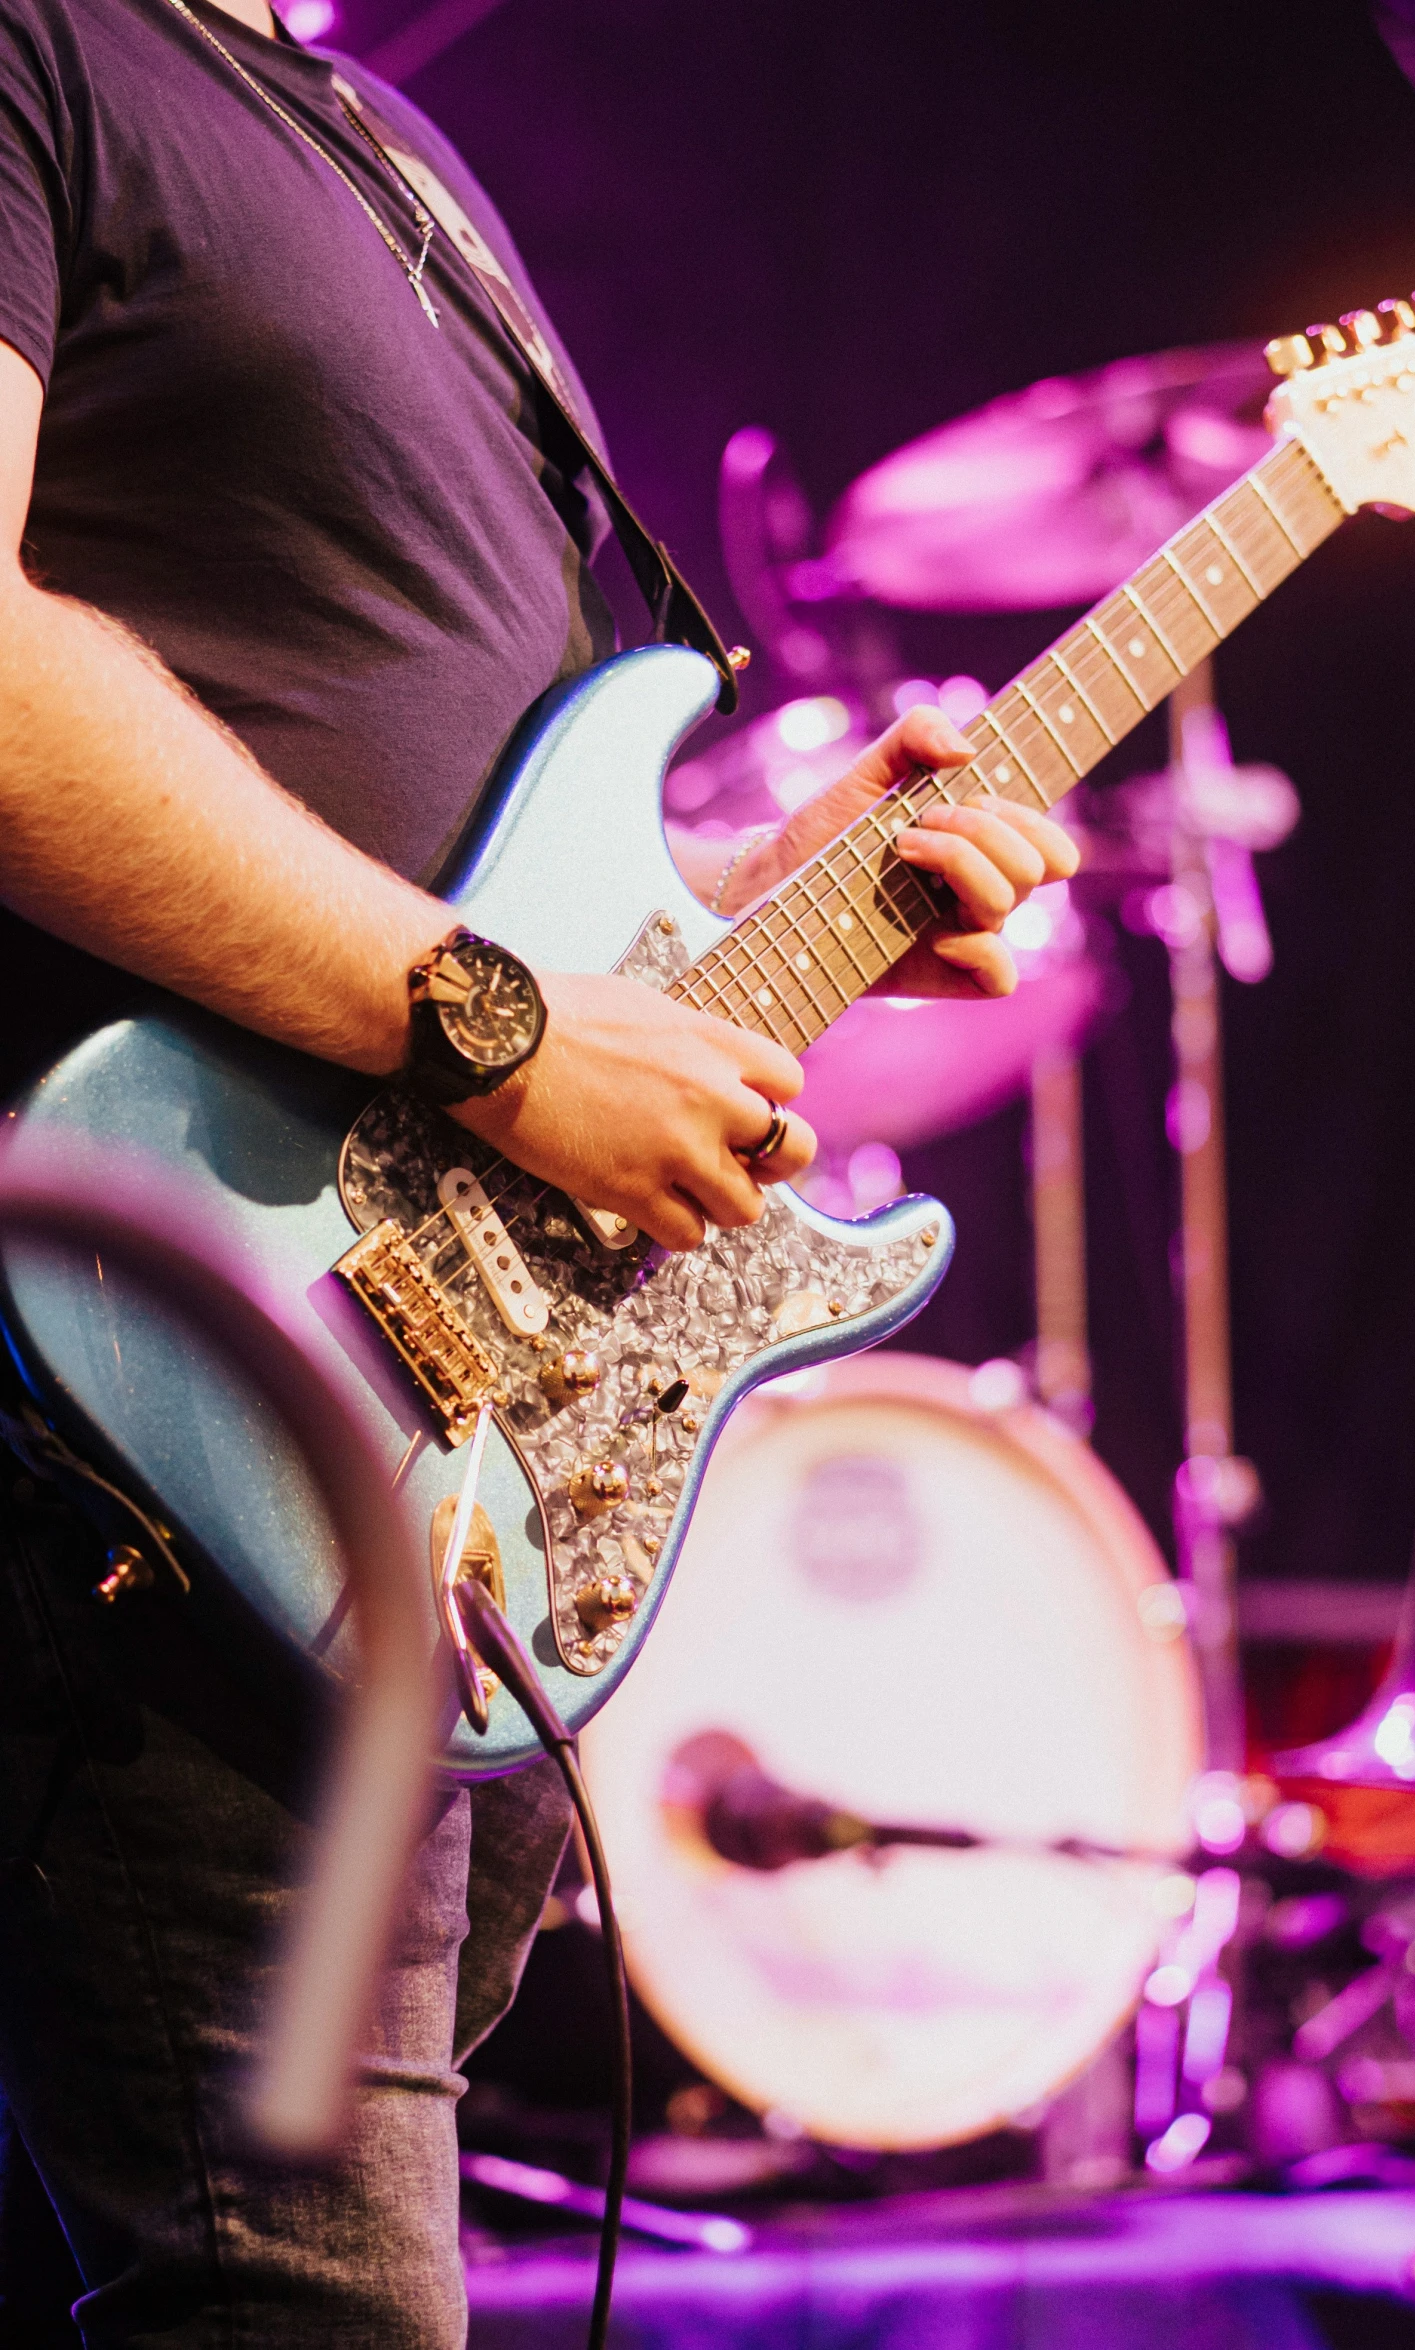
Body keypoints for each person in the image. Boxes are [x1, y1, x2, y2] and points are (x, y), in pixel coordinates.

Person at [0, 0, 1078, 2339]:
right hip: (163, 1381)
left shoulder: (389, 156)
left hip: (420, 1415)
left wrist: (789, 895)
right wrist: (492, 1034)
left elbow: (481, 850)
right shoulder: (45, 48)